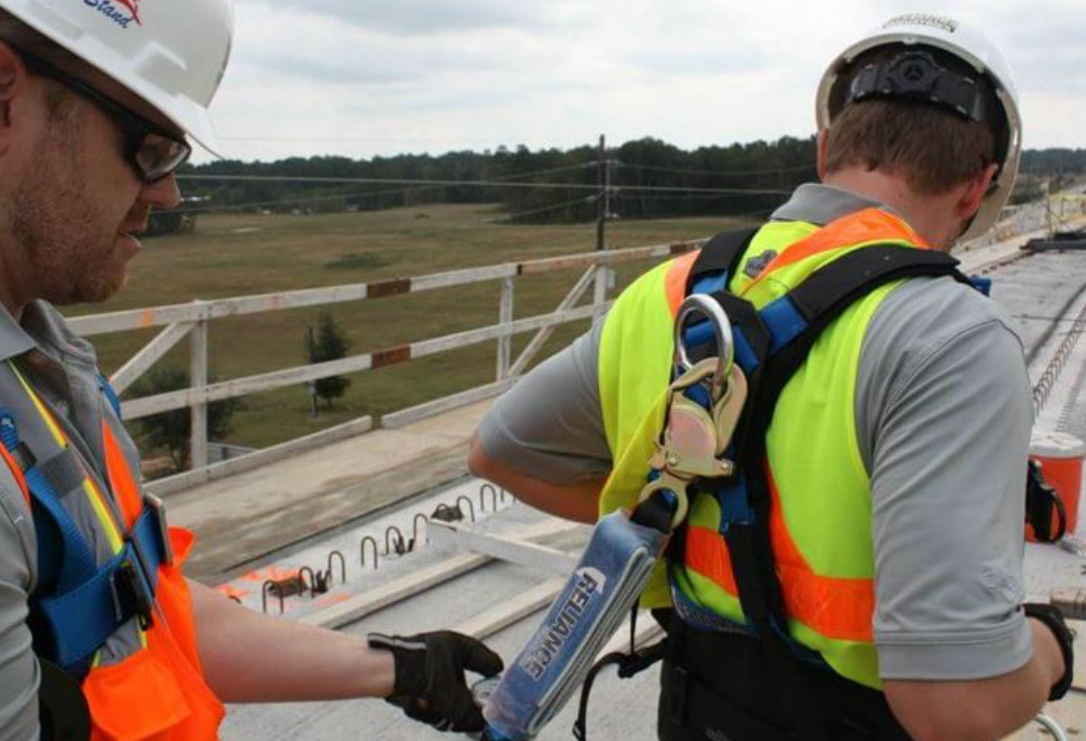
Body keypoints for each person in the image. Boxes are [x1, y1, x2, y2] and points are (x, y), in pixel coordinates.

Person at [470, 14, 1074, 741]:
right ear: (978, 187)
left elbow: (498, 452)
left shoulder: (670, 292)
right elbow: (955, 707)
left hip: (699, 709)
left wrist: (680, 531)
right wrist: (1048, 647)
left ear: (825, 150)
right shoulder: (949, 337)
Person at [0, 1, 501, 739]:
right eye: (149, 147)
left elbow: (134, 601)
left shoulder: (46, 363)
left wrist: (397, 667)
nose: (166, 192)